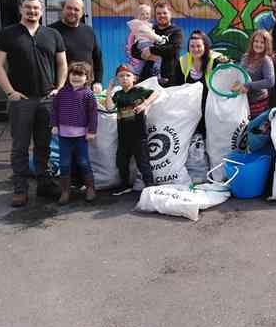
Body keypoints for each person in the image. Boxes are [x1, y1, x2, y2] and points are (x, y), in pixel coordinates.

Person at [0, 0, 67, 207]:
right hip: (21, 101)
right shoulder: (8, 34)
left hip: (46, 100)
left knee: (43, 145)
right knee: (20, 147)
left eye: (36, 8)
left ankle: (44, 185)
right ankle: (20, 189)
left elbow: (62, 64)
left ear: (42, 11)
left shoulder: (52, 34)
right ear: (21, 9)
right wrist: (10, 92)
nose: (32, 11)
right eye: (28, 8)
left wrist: (59, 89)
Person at [104, 64, 158, 194]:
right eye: (121, 76)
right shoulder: (118, 95)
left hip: (139, 135)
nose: (124, 78)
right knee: (121, 162)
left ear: (134, 78)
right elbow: (109, 108)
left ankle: (150, 187)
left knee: (143, 162)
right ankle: (125, 185)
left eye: (128, 75)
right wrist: (109, 89)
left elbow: (155, 94)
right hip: (123, 136)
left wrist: (144, 104)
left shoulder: (139, 91)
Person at [50, 62, 98, 205]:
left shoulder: (88, 94)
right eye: (73, 74)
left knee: (83, 162)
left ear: (87, 78)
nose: (76, 78)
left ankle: (90, 188)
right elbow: (55, 110)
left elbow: (93, 114)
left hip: (81, 137)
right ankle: (65, 191)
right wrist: (54, 125)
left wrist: (92, 131)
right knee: (64, 163)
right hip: (64, 136)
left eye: (80, 75)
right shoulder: (62, 92)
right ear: (68, 75)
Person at [171, 30, 228, 134]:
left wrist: (226, 63)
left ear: (205, 46)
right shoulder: (183, 61)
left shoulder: (215, 59)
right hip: (190, 107)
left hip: (211, 106)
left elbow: (228, 75)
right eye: (192, 46)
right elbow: (177, 85)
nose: (195, 49)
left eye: (198, 46)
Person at [49, 0, 103, 94]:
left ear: (82, 13)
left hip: (85, 88)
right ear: (63, 9)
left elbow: (97, 58)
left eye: (76, 9)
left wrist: (98, 81)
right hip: (60, 89)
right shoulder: (51, 31)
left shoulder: (89, 31)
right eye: (69, 8)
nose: (72, 12)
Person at [130, 1, 183, 86]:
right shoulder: (149, 29)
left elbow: (173, 49)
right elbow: (134, 50)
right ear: (155, 15)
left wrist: (151, 50)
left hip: (168, 79)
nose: (162, 16)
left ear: (170, 14)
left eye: (164, 13)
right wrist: (143, 54)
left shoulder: (176, 31)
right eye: (158, 13)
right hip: (147, 79)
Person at [233, 30, 275, 118]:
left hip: (258, 102)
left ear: (266, 45)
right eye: (256, 41)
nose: (258, 44)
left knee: (253, 128)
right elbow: (239, 73)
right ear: (252, 42)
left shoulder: (266, 60)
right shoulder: (245, 56)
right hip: (243, 99)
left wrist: (248, 85)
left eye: (262, 42)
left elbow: (270, 82)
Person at [125, 3, 160, 78]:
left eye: (147, 14)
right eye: (142, 14)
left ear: (150, 15)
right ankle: (138, 71)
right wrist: (159, 39)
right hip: (143, 45)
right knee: (154, 60)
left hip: (147, 45)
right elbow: (131, 44)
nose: (145, 16)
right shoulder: (140, 26)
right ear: (138, 16)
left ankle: (138, 71)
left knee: (145, 62)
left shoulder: (149, 25)